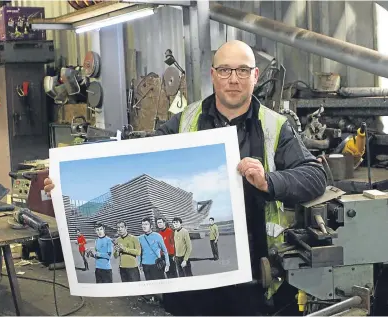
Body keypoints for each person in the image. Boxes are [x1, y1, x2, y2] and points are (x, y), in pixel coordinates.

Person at [43, 40, 327, 315]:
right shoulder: (184, 121)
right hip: (190, 285)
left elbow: (315, 176)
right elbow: (131, 161)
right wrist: (67, 179)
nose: (233, 79)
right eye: (225, 70)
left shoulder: (275, 127)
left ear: (254, 76)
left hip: (253, 273)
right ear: (213, 75)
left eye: (242, 71)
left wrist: (269, 181)